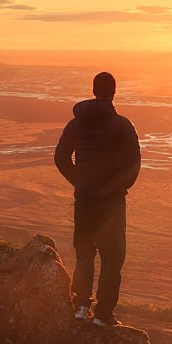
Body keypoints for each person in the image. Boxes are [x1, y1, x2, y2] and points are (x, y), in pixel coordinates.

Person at [54, 72, 141, 326]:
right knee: (113, 258)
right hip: (111, 204)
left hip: (84, 201)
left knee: (84, 253)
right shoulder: (123, 125)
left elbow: (60, 158)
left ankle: (80, 306)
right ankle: (103, 315)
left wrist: (80, 182)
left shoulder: (76, 124)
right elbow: (133, 165)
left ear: (93, 91)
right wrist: (116, 188)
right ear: (113, 92)